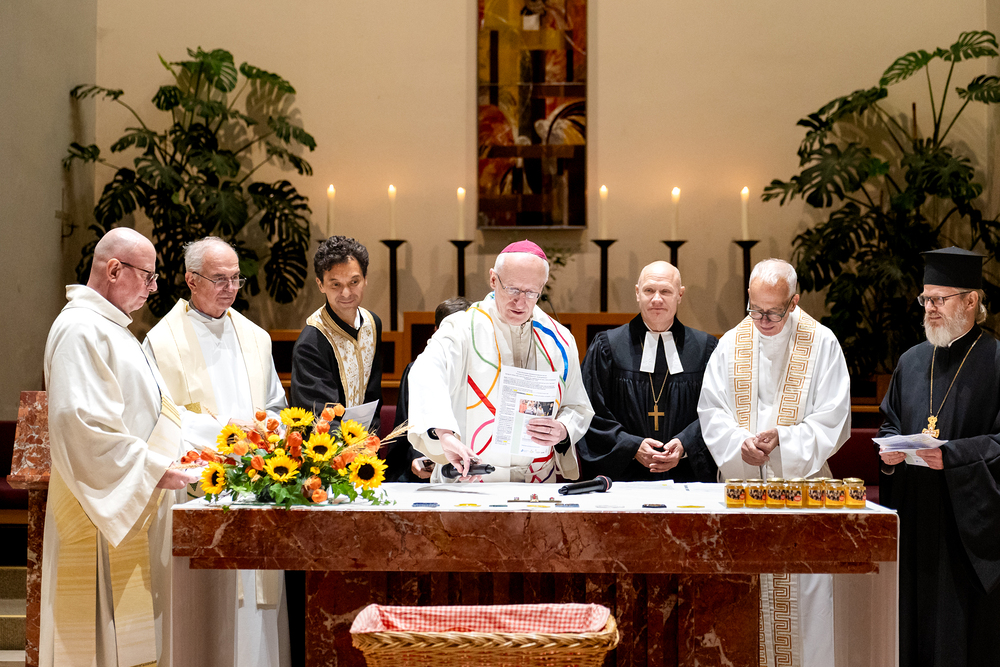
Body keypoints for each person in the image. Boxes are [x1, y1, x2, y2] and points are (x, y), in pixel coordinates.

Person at [40, 227, 200, 667]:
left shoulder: (113, 329)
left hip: (134, 503)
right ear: (114, 269)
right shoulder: (80, 329)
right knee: (98, 639)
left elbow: (159, 411)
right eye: (148, 276)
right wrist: (151, 468)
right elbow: (79, 423)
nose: (153, 288)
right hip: (98, 513)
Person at [143, 237, 290, 667]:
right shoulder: (161, 342)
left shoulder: (256, 337)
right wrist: (226, 431)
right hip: (199, 486)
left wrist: (269, 430)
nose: (230, 288)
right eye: (219, 279)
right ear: (191, 280)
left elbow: (277, 406)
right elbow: (160, 418)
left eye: (236, 278)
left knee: (256, 610)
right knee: (204, 615)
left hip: (256, 486)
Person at [698, 258, 850, 667]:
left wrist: (784, 440)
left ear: (794, 302)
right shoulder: (732, 343)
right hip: (743, 495)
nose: (763, 321)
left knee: (806, 609)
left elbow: (833, 419)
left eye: (773, 312)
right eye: (755, 310)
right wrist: (739, 445)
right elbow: (711, 411)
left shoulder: (822, 344)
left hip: (802, 498)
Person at [878, 247, 1000, 666]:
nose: (929, 308)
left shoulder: (996, 361)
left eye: (938, 299)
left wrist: (954, 456)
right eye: (925, 299)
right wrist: (889, 453)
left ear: (971, 301)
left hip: (967, 527)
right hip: (915, 516)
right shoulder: (911, 361)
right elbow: (890, 425)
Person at [407, 240, 594, 482]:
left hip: (536, 481)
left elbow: (577, 406)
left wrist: (563, 429)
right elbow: (426, 371)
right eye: (513, 289)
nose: (521, 302)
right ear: (494, 280)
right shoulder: (462, 328)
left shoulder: (559, 339)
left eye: (531, 293)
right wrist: (444, 433)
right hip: (470, 478)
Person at [579, 261, 718, 481]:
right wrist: (631, 446)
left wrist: (686, 443)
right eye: (649, 290)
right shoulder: (608, 347)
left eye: (666, 291)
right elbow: (588, 409)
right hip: (624, 477)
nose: (656, 299)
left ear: (680, 294)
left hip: (686, 475)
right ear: (637, 293)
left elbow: (719, 409)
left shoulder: (705, 349)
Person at [291, 236, 383, 430]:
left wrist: (371, 440)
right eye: (336, 284)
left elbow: (373, 399)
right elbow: (318, 417)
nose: (346, 293)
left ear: (365, 279)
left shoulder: (372, 324)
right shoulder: (311, 342)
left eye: (354, 282)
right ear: (320, 285)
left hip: (365, 442)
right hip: (326, 445)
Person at [388, 296, 471, 482]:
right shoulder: (419, 369)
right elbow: (406, 425)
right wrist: (417, 457)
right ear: (436, 332)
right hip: (428, 465)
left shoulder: (483, 371)